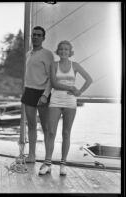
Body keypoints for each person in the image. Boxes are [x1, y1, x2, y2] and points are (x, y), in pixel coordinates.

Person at [39, 40, 93, 175]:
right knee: (51, 132)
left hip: (70, 102)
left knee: (66, 133)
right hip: (56, 100)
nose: (63, 51)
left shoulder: (75, 65)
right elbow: (55, 84)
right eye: (61, 49)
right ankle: (47, 163)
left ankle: (63, 164)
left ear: (70, 52)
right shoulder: (53, 65)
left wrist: (79, 92)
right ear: (58, 51)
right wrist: (71, 87)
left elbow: (89, 79)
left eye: (66, 50)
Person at [21, 26, 54, 163]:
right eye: (34, 34)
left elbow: (51, 77)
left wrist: (45, 95)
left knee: (46, 127)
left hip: (42, 94)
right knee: (31, 125)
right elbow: (29, 75)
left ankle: (48, 159)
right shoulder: (28, 54)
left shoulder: (47, 54)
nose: (35, 37)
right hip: (29, 91)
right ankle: (32, 156)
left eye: (39, 35)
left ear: (43, 38)